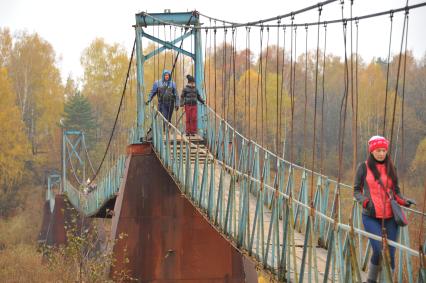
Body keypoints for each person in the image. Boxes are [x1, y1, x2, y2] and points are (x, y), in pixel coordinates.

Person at [353, 135, 415, 283]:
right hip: (371, 216)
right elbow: (356, 191)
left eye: (384, 150)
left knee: (390, 254)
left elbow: (396, 192)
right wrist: (366, 202)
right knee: (379, 250)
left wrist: (404, 201)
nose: (381, 153)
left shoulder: (391, 168)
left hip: (390, 218)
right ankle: (371, 280)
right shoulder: (363, 167)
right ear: (372, 151)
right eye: (378, 150)